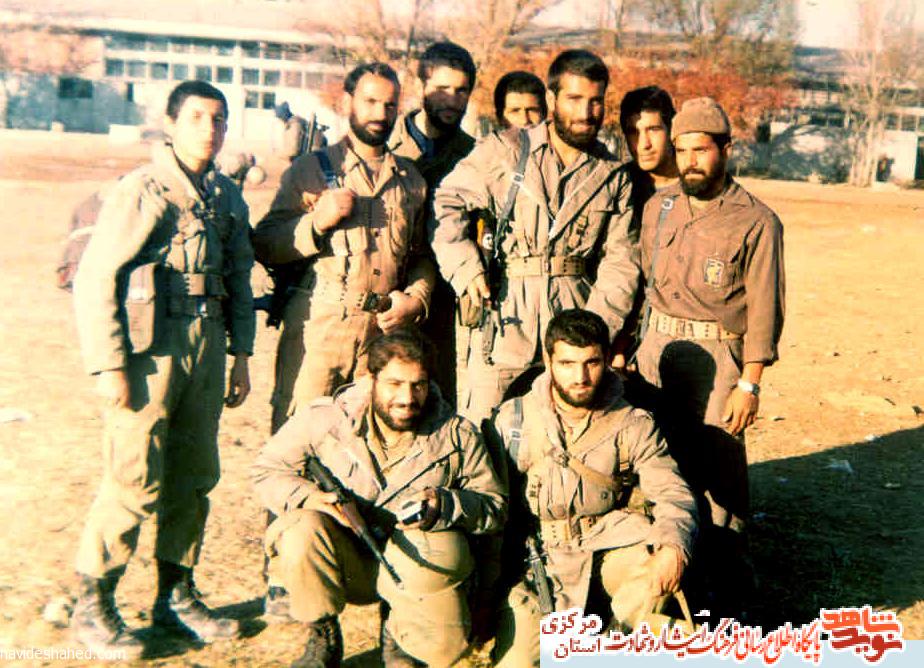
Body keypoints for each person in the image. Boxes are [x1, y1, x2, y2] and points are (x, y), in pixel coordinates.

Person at [70, 80, 255, 655]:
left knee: (194, 476)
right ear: (170, 124)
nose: (209, 129)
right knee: (133, 476)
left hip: (207, 344)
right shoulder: (144, 189)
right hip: (151, 348)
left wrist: (241, 355)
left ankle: (174, 597)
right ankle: (92, 602)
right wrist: (109, 364)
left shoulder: (226, 197)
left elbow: (240, 278)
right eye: (196, 117)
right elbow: (97, 276)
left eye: (219, 119)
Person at [252, 328, 507, 667]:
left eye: (418, 385)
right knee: (300, 529)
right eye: (394, 384)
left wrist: (446, 505)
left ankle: (399, 638)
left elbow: (494, 506)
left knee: (447, 650)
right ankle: (322, 633)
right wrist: (310, 497)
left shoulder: (457, 435)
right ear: (371, 379)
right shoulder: (326, 419)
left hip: (416, 567)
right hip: (347, 562)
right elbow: (267, 470)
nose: (407, 398)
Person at [633, 97, 785, 618]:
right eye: (682, 151)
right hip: (656, 349)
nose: (690, 161)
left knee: (718, 471)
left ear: (726, 148)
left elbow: (765, 308)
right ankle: (667, 579)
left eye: (701, 150)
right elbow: (643, 284)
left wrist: (750, 383)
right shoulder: (659, 207)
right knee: (657, 458)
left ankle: (726, 585)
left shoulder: (757, 221)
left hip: (718, 357)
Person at [431, 49, 639, 424]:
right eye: (574, 98)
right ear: (552, 98)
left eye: (595, 101)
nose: (586, 112)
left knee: (567, 430)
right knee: (484, 426)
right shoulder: (505, 150)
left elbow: (621, 262)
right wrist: (466, 269)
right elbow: (447, 201)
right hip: (504, 316)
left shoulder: (612, 174)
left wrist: (592, 332)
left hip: (574, 319)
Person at [486, 309, 696, 666]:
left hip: (606, 545)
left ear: (607, 360)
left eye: (591, 363)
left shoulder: (632, 423)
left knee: (650, 576)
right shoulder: (513, 420)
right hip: (537, 560)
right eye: (567, 363)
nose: (580, 377)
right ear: (548, 361)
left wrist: (673, 548)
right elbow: (490, 506)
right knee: (518, 660)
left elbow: (672, 492)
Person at [253, 62, 434, 433]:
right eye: (370, 102)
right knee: (300, 435)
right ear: (348, 102)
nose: (380, 113)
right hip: (319, 331)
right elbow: (266, 244)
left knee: (370, 439)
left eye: (389, 105)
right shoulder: (309, 169)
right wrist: (316, 222)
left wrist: (416, 298)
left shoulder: (411, 180)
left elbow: (420, 257)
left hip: (382, 336)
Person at [388, 41, 478, 406]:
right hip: (386, 296)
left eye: (461, 91)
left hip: (444, 304)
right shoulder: (384, 144)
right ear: (420, 85)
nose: (452, 100)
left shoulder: (476, 156)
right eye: (442, 88)